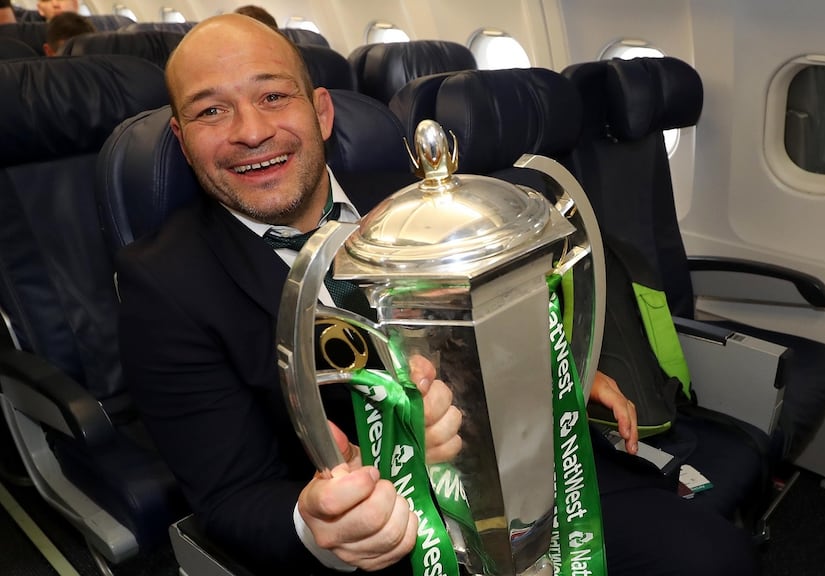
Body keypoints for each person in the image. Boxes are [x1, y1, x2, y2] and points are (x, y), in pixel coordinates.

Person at [117, 14, 759, 576]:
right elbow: (233, 494)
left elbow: (495, 313)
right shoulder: (164, 284)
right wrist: (319, 523)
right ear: (181, 139)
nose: (250, 131)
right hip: (392, 537)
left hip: (533, 471)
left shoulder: (416, 193)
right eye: (210, 110)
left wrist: (552, 370)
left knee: (713, 558)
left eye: (273, 96)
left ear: (321, 112)